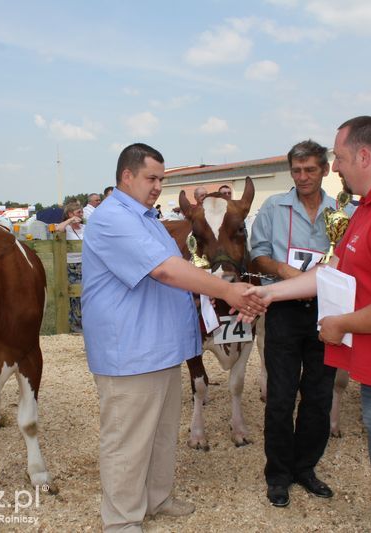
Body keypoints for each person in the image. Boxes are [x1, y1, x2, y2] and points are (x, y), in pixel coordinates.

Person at [246, 116, 371, 532]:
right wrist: (266, 293)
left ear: (363, 155)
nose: (334, 167)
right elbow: (331, 271)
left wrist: (338, 325)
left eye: (337, 158)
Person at [82, 142, 265, 532]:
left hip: (162, 349)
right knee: (127, 441)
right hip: (129, 352)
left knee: (162, 435)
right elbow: (166, 271)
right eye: (151, 178)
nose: (157, 187)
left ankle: (156, 498)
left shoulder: (147, 218)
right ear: (126, 176)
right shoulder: (113, 218)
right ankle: (121, 520)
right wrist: (229, 291)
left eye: (161, 179)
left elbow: (185, 266)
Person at [250, 139, 354, 508]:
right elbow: (257, 254)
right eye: (297, 170)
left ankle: (306, 468)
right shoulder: (273, 207)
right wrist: (284, 271)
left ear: (325, 170)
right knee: (279, 396)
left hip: (328, 311)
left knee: (319, 395)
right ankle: (277, 475)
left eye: (310, 169)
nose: (303, 176)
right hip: (283, 309)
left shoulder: (344, 211)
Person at [56, 200, 85, 332]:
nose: (81, 214)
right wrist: (70, 220)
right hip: (73, 265)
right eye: (78, 212)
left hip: (86, 264)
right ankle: (76, 327)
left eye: (82, 212)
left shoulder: (85, 227)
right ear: (70, 214)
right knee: (76, 297)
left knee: (86, 296)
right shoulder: (66, 228)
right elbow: (57, 229)